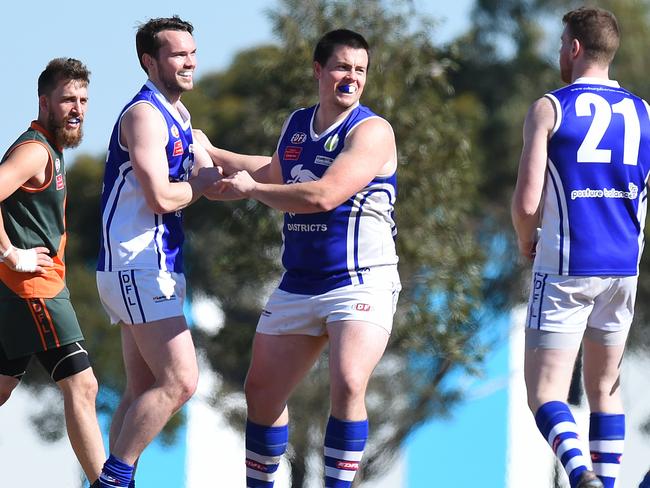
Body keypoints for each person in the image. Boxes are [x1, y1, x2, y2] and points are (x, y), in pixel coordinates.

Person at [196, 28, 400, 488]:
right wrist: (214, 155)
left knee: (348, 382)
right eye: (343, 67)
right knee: (261, 394)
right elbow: (273, 172)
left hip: (361, 280)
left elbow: (323, 194)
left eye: (360, 70)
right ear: (318, 71)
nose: (352, 78)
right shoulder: (297, 124)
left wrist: (254, 190)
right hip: (301, 282)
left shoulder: (372, 131)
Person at [511, 7, 650, 488]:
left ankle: (579, 474)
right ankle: (607, 482)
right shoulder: (645, 111)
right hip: (624, 267)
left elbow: (527, 201)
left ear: (573, 48)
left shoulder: (550, 107)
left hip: (569, 262)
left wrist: (527, 240)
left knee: (545, 392)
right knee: (604, 390)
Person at [94, 16, 221, 488]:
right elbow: (163, 197)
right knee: (181, 381)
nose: (190, 61)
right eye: (177, 54)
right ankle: (111, 481)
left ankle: (115, 478)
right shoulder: (144, 115)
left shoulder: (181, 117)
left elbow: (219, 172)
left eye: (192, 51)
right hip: (137, 264)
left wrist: (291, 172)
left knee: (143, 388)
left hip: (152, 267)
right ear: (150, 61)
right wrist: (202, 186)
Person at [0, 58, 105, 486]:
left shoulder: (52, 149)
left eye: (82, 100)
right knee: (83, 386)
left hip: (25, 290)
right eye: (67, 100)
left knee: (2, 386)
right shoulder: (35, 150)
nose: (77, 108)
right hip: (33, 289)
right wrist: (9, 253)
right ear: (45, 102)